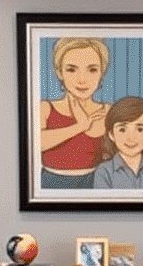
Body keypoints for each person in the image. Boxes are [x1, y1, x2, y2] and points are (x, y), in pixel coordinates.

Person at [39, 36, 110, 189]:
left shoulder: (108, 110)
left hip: (96, 185)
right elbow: (36, 143)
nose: (82, 79)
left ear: (102, 73)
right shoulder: (45, 108)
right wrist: (80, 127)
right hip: (51, 185)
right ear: (59, 72)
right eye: (71, 69)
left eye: (92, 69)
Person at [92, 96, 143, 189]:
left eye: (140, 129)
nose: (131, 138)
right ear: (111, 134)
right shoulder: (105, 171)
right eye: (122, 130)